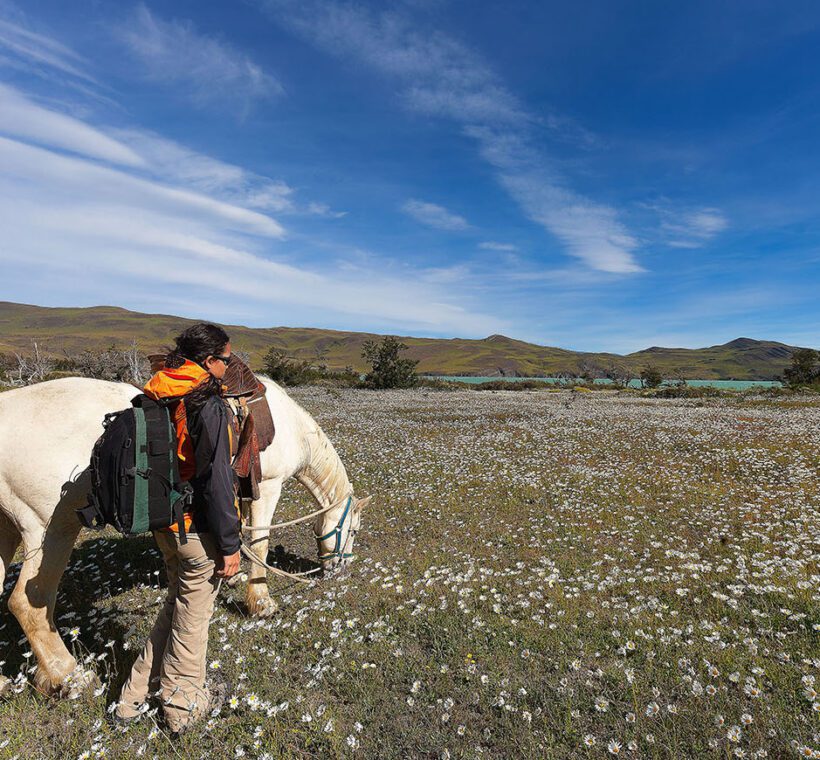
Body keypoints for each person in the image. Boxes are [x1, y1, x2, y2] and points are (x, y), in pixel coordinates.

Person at [115, 323, 241, 734]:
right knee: (192, 621)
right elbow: (217, 480)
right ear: (208, 361)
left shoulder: (156, 391)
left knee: (177, 606)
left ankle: (132, 699)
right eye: (225, 360)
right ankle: (181, 708)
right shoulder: (208, 403)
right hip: (194, 531)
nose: (227, 367)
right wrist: (229, 544)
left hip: (161, 523)